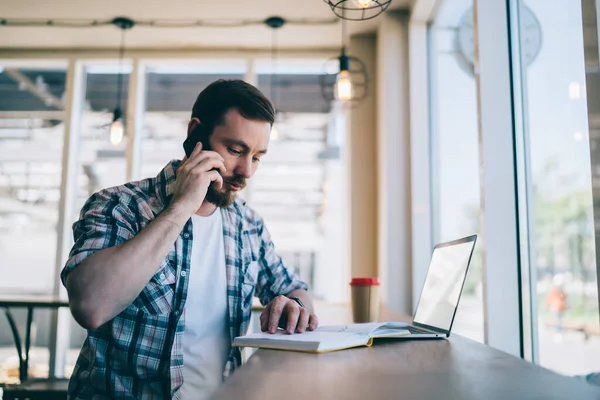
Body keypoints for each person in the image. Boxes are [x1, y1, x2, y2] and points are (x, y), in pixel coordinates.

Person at [61, 79, 319, 399]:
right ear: (195, 133)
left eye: (257, 157)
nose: (246, 171)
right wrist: (180, 208)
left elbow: (296, 292)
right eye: (236, 150)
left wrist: (294, 305)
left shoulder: (247, 225)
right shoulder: (119, 205)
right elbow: (90, 306)